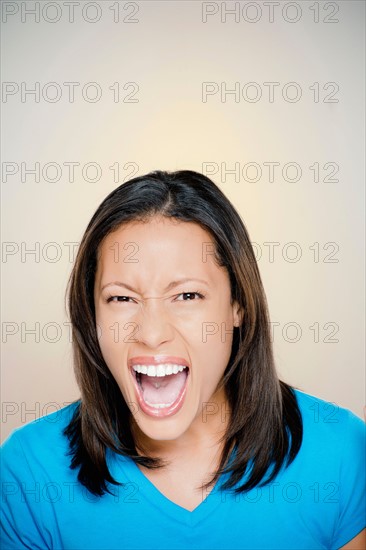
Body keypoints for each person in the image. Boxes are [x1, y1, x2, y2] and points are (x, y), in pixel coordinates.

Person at [1, 170, 365, 549]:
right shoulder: (28, 474)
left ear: (237, 305)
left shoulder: (341, 454)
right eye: (121, 298)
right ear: (92, 316)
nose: (153, 332)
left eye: (188, 296)